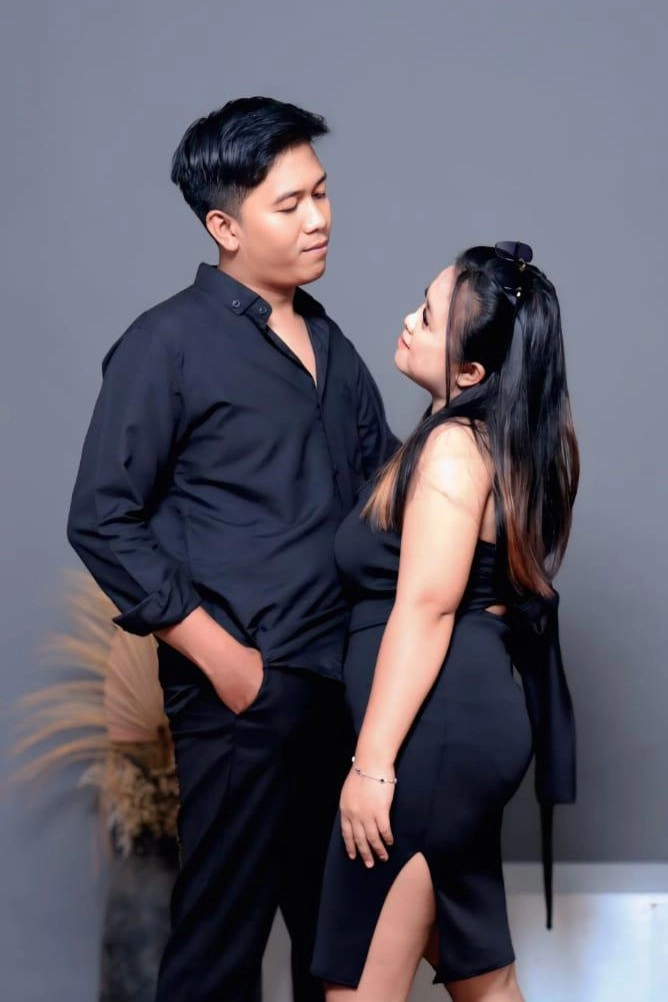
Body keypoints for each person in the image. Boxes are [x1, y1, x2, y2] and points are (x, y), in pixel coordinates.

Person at [66, 96, 398, 1002]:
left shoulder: (330, 342)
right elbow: (101, 517)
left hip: (341, 696)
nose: (319, 217)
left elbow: (385, 501)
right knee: (219, 956)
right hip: (241, 698)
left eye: (321, 192)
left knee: (341, 957)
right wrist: (225, 662)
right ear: (224, 226)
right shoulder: (165, 343)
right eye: (290, 204)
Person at [311, 242, 579, 1002]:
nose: (407, 321)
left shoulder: (457, 450)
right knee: (483, 981)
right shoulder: (473, 442)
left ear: (470, 374)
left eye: (427, 319)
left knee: (358, 989)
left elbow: (427, 610)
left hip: (428, 739)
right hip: (451, 734)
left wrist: (372, 765)